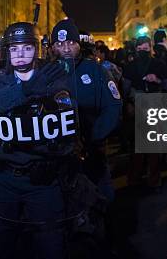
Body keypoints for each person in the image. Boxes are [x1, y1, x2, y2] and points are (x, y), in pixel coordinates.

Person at [0, 21, 75, 259]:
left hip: (43, 180)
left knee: (50, 244)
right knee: (1, 242)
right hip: (3, 178)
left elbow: (68, 130)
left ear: (35, 50)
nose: (19, 54)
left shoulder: (53, 81)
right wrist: (23, 91)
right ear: (7, 52)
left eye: (26, 48)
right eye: (14, 49)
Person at [50, 19, 121, 202]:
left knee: (101, 197)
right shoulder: (45, 74)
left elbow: (113, 106)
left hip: (92, 149)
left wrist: (94, 136)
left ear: (79, 45)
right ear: (52, 47)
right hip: (56, 155)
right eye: (60, 44)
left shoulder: (96, 70)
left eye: (71, 43)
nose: (66, 48)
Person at [123, 36, 167, 189]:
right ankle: (137, 178)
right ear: (136, 49)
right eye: (140, 49)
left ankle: (150, 179)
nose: (143, 52)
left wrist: (157, 80)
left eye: (145, 49)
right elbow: (125, 87)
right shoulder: (130, 66)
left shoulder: (159, 64)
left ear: (150, 48)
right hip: (138, 105)